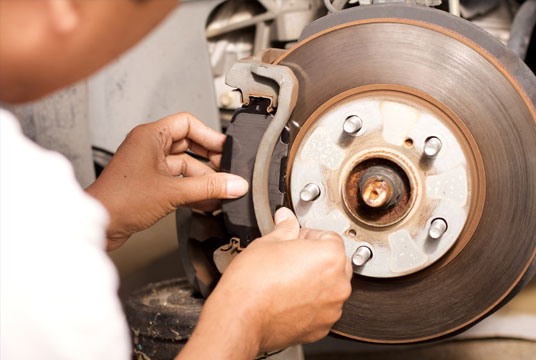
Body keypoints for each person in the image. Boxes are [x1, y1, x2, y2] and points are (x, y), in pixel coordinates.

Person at [0, 1, 353, 359]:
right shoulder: (33, 263)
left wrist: (102, 216)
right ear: (66, 6)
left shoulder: (20, 196)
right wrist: (246, 320)